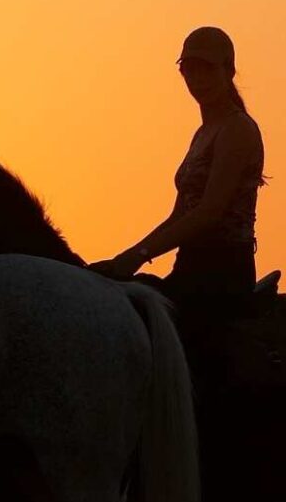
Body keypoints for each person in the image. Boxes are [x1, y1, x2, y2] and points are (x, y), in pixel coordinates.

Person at [93, 25, 265, 317]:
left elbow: (210, 212)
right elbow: (179, 216)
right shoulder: (202, 134)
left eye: (207, 70)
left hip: (222, 275)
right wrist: (124, 258)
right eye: (190, 70)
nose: (198, 80)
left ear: (229, 70)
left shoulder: (238, 129)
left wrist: (139, 255)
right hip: (189, 267)